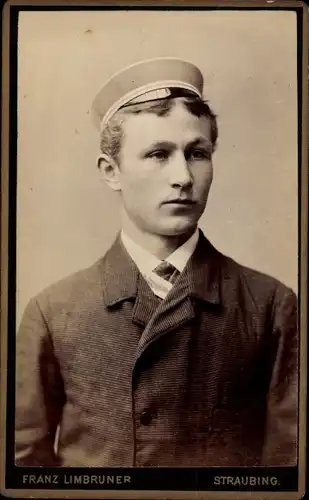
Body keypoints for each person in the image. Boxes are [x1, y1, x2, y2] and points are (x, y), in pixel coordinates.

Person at [15, 58, 298, 467]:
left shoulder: (270, 305)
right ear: (111, 171)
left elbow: (288, 467)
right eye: (158, 154)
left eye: (197, 153)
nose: (183, 176)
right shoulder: (54, 312)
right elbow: (25, 469)